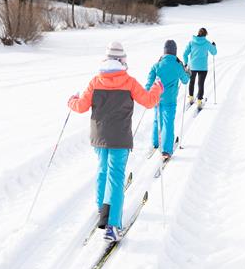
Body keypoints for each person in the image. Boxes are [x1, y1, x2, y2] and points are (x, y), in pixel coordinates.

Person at [68, 41, 163, 242]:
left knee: (103, 170)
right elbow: (149, 101)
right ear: (122, 61)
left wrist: (71, 100)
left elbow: (81, 106)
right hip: (119, 137)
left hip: (99, 136)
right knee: (116, 177)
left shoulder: (96, 81)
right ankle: (112, 225)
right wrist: (157, 89)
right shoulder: (128, 81)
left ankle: (102, 209)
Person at [145, 40, 190, 161]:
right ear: (175, 52)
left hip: (157, 98)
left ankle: (155, 143)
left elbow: (148, 84)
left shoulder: (157, 65)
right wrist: (188, 73)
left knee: (157, 120)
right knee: (168, 123)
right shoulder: (178, 65)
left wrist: (147, 94)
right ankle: (165, 150)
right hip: (170, 100)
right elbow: (185, 80)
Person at [182, 27, 217, 109]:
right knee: (201, 84)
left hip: (192, 66)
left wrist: (186, 63)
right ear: (205, 34)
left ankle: (191, 98)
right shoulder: (207, 43)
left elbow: (185, 54)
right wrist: (214, 46)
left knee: (192, 82)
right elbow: (214, 52)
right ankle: (199, 101)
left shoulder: (191, 42)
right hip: (203, 67)